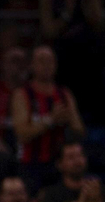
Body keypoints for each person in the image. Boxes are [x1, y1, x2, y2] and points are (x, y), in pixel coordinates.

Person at [13, 46, 84, 191]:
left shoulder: (64, 95)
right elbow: (21, 134)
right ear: (31, 65)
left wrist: (69, 118)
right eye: (41, 61)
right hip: (31, 164)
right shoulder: (22, 94)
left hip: (60, 165)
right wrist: (50, 120)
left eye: (50, 61)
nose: (46, 66)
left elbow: (80, 132)